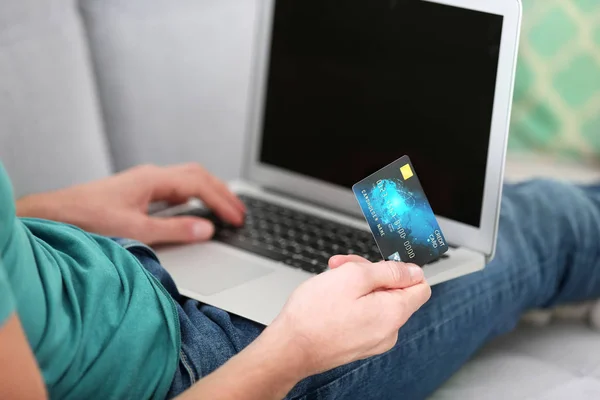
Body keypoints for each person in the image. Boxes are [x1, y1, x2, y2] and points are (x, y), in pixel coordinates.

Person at [1, 161, 600, 400]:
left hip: (126, 267)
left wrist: (39, 211)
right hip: (200, 362)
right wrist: (294, 352)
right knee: (541, 224)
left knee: (489, 214)